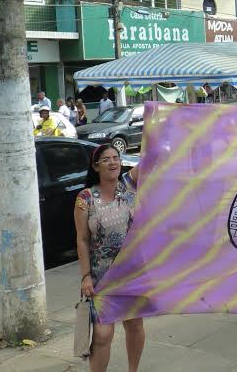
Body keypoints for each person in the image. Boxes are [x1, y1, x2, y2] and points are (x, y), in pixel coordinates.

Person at [74, 144, 144, 372]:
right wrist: (85, 276)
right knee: (103, 335)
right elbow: (82, 239)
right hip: (101, 277)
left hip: (131, 273)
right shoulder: (85, 198)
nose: (113, 162)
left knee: (134, 324)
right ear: (95, 166)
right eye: (106, 159)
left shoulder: (128, 186)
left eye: (116, 157)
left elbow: (152, 162)